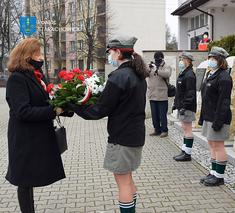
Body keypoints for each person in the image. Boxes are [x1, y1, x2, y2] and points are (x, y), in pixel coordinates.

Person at [68, 36, 148, 213]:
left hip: (122, 137)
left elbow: (99, 111)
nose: (109, 56)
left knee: (123, 182)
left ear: (118, 52)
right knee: (128, 178)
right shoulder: (138, 74)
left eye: (110, 51)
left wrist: (73, 105)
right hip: (135, 134)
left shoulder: (118, 76)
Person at [6, 38, 66, 213]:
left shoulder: (37, 76)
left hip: (38, 135)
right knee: (24, 180)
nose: (40, 58)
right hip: (24, 138)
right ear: (26, 56)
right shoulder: (17, 79)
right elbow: (23, 111)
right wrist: (54, 111)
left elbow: (49, 101)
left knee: (30, 177)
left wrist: (67, 106)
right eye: (37, 54)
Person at [198, 46, 232, 186]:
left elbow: (224, 101)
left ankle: (219, 176)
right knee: (212, 144)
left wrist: (218, 122)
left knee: (218, 145)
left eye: (214, 58)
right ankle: (213, 172)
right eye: (210, 58)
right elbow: (206, 98)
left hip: (218, 118)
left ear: (220, 60)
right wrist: (202, 117)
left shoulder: (224, 77)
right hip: (209, 116)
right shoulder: (211, 74)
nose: (211, 60)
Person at [172, 52, 196, 161]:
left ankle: (187, 154)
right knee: (185, 129)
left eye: (182, 59)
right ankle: (184, 150)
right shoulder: (184, 73)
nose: (180, 61)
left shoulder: (190, 74)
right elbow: (179, 92)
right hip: (182, 106)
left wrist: (184, 106)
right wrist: (176, 104)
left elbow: (190, 94)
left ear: (188, 60)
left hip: (187, 107)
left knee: (187, 129)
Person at [147, 51, 172, 138]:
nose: (157, 60)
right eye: (156, 59)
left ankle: (164, 130)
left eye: (159, 59)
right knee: (154, 115)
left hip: (162, 95)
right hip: (152, 94)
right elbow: (145, 74)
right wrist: (148, 68)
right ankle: (156, 129)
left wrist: (157, 70)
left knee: (162, 115)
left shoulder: (166, 66)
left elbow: (167, 74)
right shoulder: (152, 66)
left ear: (162, 58)